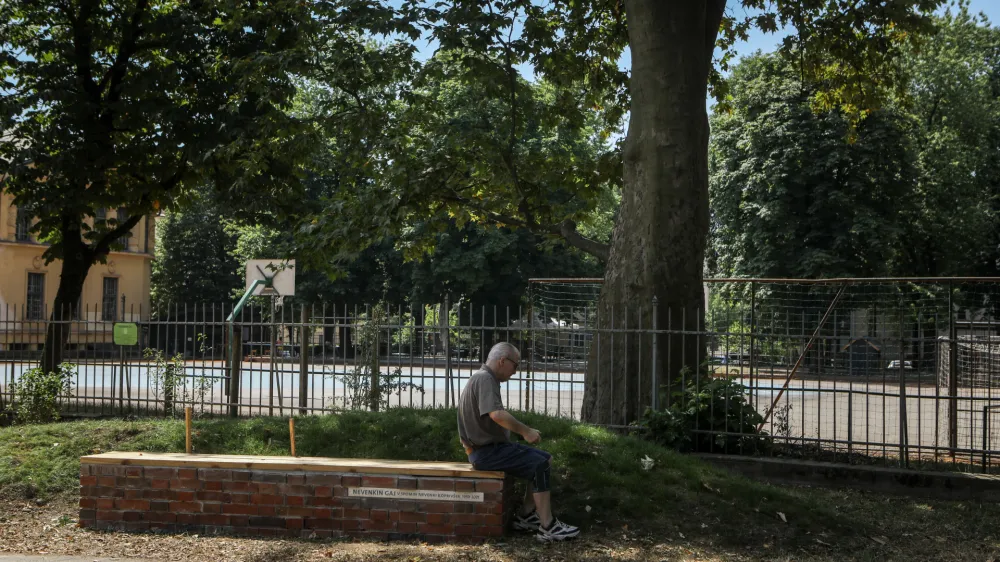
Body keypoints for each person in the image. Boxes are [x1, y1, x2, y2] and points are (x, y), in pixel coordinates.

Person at [457, 342, 580, 542]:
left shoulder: (483, 378)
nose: (515, 371)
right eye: (515, 365)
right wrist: (526, 431)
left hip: (489, 449)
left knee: (545, 459)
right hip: (487, 452)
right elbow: (497, 414)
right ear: (502, 361)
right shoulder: (484, 379)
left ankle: (526, 515)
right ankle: (548, 526)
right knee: (539, 465)